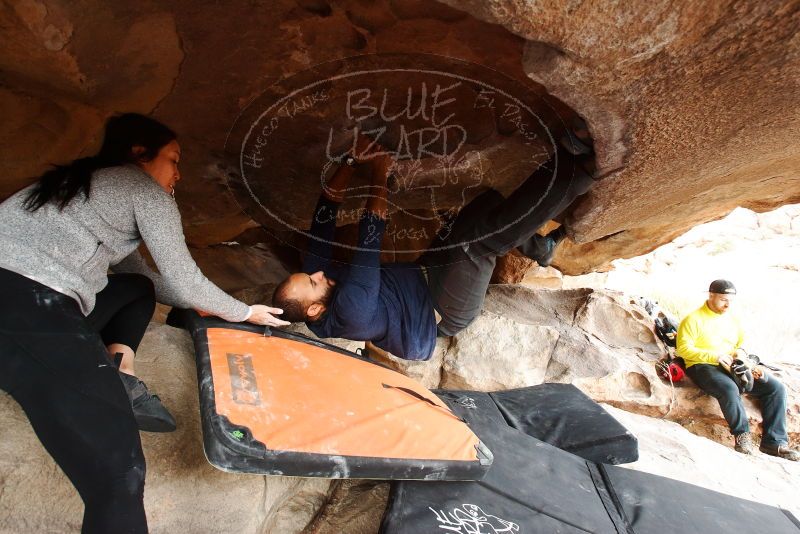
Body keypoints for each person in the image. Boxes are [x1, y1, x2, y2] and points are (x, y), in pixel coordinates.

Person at [0, 113, 289, 533]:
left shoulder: (81, 187)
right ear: (140, 154)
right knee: (119, 477)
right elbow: (184, 275)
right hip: (28, 306)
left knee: (135, 287)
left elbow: (149, 280)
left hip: (26, 301)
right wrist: (243, 311)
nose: (179, 173)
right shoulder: (143, 191)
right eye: (173, 159)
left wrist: (204, 303)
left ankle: (121, 372)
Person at [272, 132, 594, 361]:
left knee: (482, 207)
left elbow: (325, 213)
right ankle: (576, 170)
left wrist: (352, 156)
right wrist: (381, 170)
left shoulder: (314, 281)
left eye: (309, 274)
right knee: (478, 242)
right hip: (439, 311)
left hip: (421, 276)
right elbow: (371, 234)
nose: (318, 274)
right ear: (315, 309)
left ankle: (540, 249)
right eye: (314, 282)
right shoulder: (350, 311)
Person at [676, 279, 799, 461]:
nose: (727, 304)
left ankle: (774, 442)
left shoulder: (732, 320)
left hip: (731, 365)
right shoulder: (693, 319)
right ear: (711, 296)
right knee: (729, 388)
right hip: (702, 366)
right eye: (723, 299)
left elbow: (740, 346)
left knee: (775, 388)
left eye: (731, 301)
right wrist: (715, 356)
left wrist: (744, 360)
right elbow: (683, 349)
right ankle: (742, 437)